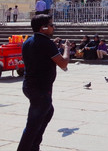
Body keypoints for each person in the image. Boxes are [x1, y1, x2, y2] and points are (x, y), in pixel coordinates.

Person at [17, 14, 70, 151]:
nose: (53, 28)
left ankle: (34, 146)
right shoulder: (46, 43)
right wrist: (67, 49)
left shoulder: (28, 41)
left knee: (47, 112)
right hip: (41, 89)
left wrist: (53, 46)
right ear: (43, 28)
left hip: (30, 86)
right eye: (51, 25)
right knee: (33, 124)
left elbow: (40, 53)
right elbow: (63, 64)